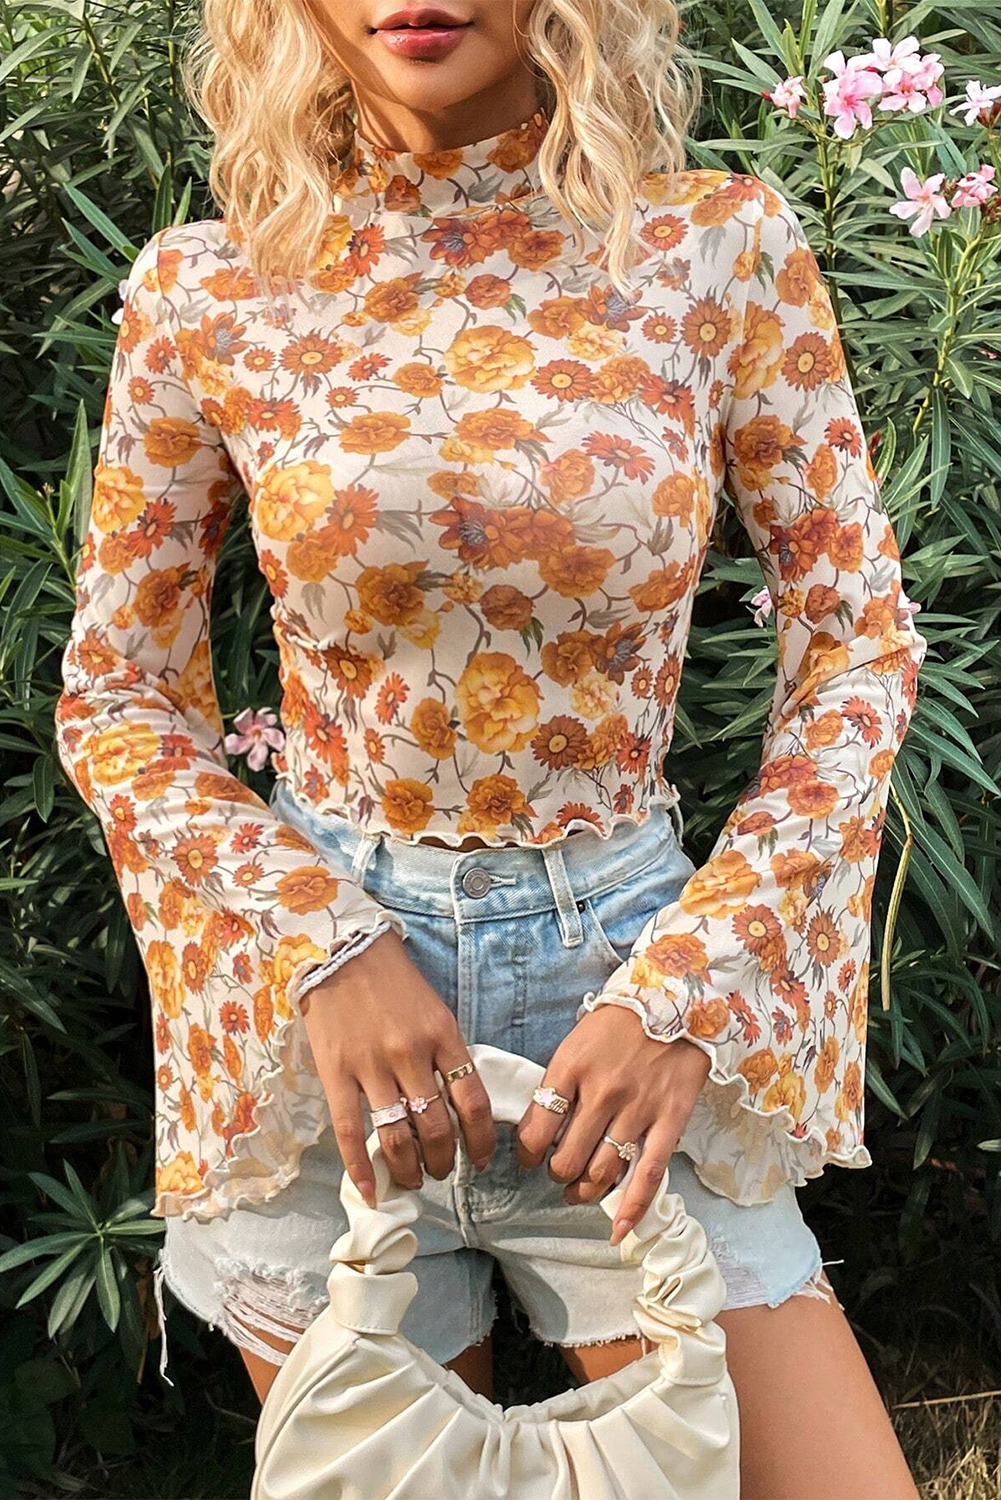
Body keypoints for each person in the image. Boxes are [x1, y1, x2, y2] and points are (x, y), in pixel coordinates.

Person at [54, 2, 927, 1495]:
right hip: (330, 1057)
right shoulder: (211, 287)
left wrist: (687, 989)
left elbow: (858, 642)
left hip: (627, 1020)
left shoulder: (714, 248)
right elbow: (121, 694)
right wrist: (324, 951)